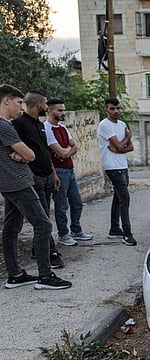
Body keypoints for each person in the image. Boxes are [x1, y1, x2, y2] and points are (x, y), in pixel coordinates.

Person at [0, 84, 71, 290]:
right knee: (43, 224)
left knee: (11, 228)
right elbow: (30, 155)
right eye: (18, 102)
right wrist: (23, 156)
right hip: (18, 181)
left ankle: (15, 275)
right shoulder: (4, 125)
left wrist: (20, 155)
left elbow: (22, 154)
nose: (21, 108)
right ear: (7, 100)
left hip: (11, 181)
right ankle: (45, 276)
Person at [12, 91, 64, 269]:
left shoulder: (40, 125)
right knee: (43, 220)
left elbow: (44, 150)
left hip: (47, 176)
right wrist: (29, 172)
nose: (47, 106)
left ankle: (37, 248)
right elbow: (15, 152)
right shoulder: (18, 124)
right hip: (33, 179)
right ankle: (51, 253)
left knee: (44, 214)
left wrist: (53, 173)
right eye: (45, 103)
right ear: (38, 104)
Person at [44, 98, 93, 246]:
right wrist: (65, 152)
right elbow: (59, 151)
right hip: (58, 171)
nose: (63, 112)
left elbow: (74, 147)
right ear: (50, 110)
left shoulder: (63, 128)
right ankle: (63, 234)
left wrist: (66, 152)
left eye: (63, 110)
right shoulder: (47, 128)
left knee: (77, 202)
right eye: (59, 110)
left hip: (69, 169)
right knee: (61, 204)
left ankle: (76, 230)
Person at [97, 97, 136, 246]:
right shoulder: (105, 125)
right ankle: (127, 234)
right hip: (112, 167)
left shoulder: (122, 124)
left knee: (118, 198)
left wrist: (120, 147)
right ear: (106, 109)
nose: (116, 111)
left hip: (122, 165)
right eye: (112, 108)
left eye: (118, 108)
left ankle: (114, 228)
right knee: (125, 198)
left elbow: (128, 148)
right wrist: (127, 137)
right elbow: (120, 146)